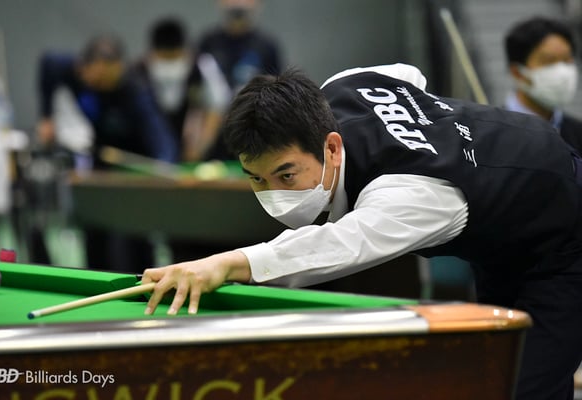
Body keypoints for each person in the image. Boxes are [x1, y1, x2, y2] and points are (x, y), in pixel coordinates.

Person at [142, 63, 582, 399]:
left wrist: (224, 263)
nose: (274, 193)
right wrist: (429, 122)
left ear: (332, 147)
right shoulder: (343, 85)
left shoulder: (415, 194)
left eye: (286, 175)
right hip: (503, 237)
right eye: (257, 179)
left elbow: (339, 245)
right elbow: (408, 75)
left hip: (566, 238)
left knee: (518, 390)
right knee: (497, 372)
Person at [37, 34, 177, 272]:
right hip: (101, 161)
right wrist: (46, 116)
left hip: (134, 170)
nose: (104, 85)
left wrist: (164, 168)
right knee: (95, 232)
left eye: (110, 79)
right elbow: (47, 64)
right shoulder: (71, 70)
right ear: (85, 67)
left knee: (132, 243)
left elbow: (162, 139)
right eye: (99, 79)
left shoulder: (134, 90)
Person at [185, 0, 282, 161]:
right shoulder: (208, 42)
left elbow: (277, 95)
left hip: (252, 132)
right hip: (213, 137)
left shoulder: (266, 46)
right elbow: (195, 95)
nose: (238, 4)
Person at [504, 16, 582, 153]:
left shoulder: (578, 134)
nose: (562, 73)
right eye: (549, 61)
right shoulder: (492, 132)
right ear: (518, 72)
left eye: (567, 60)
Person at [134, 17, 198, 160]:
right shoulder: (137, 72)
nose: (169, 63)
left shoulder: (199, 67)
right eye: (164, 57)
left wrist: (199, 148)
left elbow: (214, 109)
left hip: (189, 146)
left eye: (173, 57)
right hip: (144, 148)